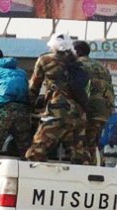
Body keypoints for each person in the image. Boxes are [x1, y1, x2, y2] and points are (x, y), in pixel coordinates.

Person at [25, 33, 89, 164]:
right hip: (78, 115)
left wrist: (28, 107)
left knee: (35, 153)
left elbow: (34, 88)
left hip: (57, 113)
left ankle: (41, 182)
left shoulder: (44, 60)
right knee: (80, 157)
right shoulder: (78, 63)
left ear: (52, 46)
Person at [73, 40, 115, 165]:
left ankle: (85, 170)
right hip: (103, 111)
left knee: (81, 143)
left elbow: (76, 88)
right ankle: (95, 166)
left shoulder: (77, 65)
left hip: (87, 110)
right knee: (92, 143)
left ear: (77, 51)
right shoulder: (102, 67)